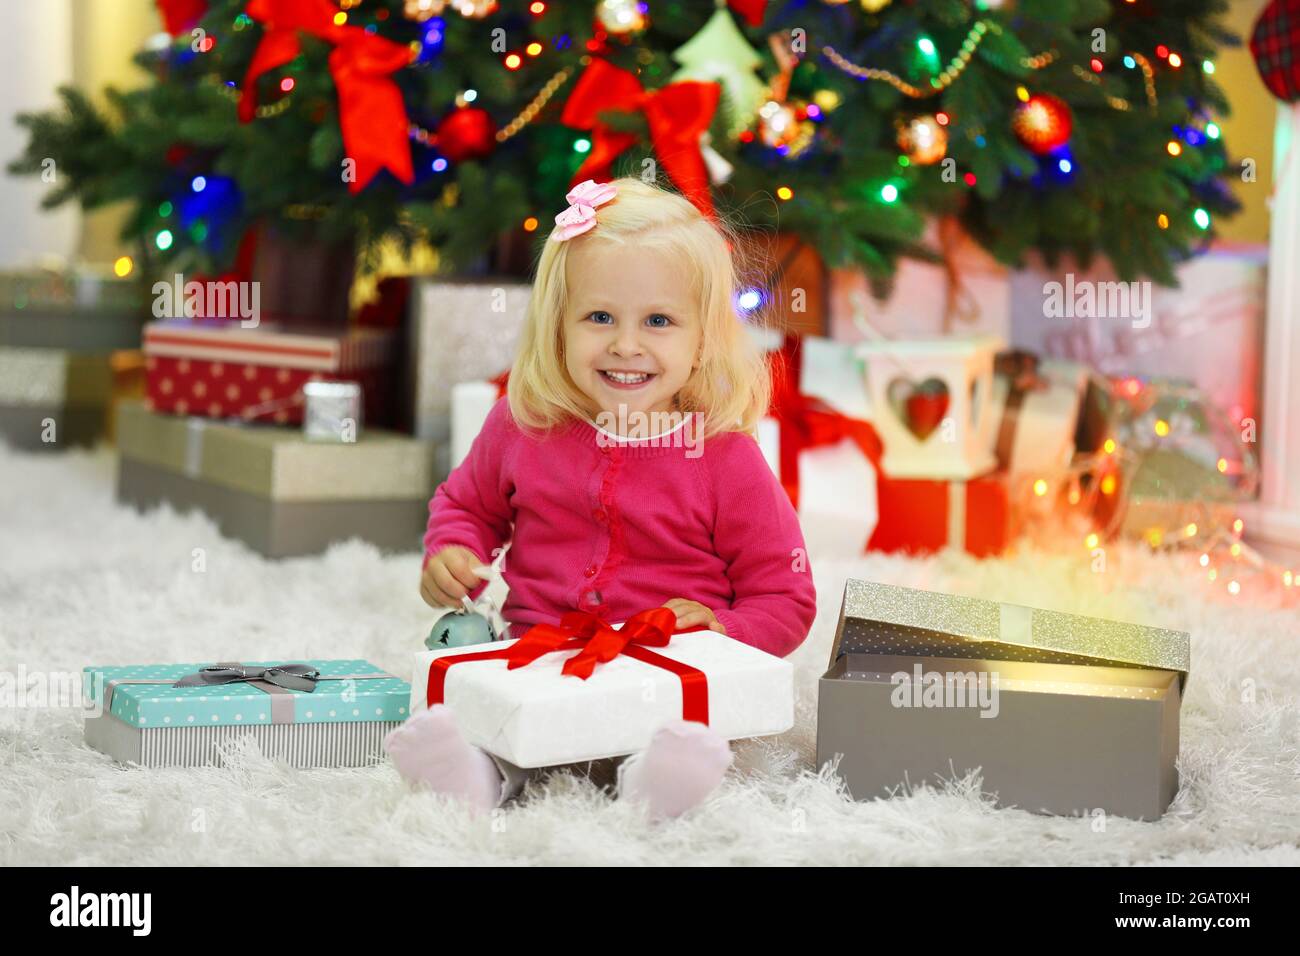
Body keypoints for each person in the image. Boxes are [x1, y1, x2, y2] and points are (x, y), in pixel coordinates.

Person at [386, 177, 816, 820]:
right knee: (503, 725)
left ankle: (657, 785)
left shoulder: (725, 458)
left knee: (671, 736)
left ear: (703, 340)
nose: (626, 344)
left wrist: (723, 629)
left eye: (659, 321)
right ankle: (474, 777)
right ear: (558, 325)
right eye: (599, 317)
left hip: (663, 672)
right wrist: (454, 551)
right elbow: (468, 507)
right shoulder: (522, 423)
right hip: (541, 661)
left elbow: (786, 595)